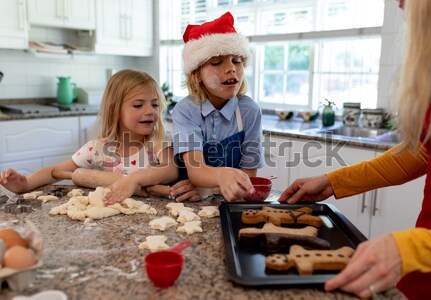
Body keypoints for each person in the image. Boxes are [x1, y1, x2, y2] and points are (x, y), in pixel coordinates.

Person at [279, 1, 431, 299]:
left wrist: (409, 248)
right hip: (428, 271)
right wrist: (333, 181)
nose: (398, 3)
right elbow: (422, 154)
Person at [0, 69, 197, 203]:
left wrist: (133, 180)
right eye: (138, 105)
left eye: (154, 104)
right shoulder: (96, 150)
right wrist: (25, 183)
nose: (149, 111)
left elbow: (169, 170)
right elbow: (55, 172)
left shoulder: (158, 144)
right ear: (114, 110)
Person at [171, 12, 264, 202]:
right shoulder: (186, 110)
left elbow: (249, 175)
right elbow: (196, 170)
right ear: (197, 75)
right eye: (216, 62)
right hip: (187, 201)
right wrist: (221, 178)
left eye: (237, 61)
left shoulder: (249, 112)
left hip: (227, 201)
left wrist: (210, 190)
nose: (231, 68)